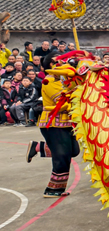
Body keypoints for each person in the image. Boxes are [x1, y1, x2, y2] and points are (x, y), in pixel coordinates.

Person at [29, 52, 80, 197]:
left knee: (74, 150)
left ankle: (39, 147)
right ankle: (53, 189)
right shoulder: (50, 81)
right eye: (63, 61)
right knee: (62, 155)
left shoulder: (64, 80)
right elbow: (62, 101)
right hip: (53, 123)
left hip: (67, 122)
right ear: (53, 65)